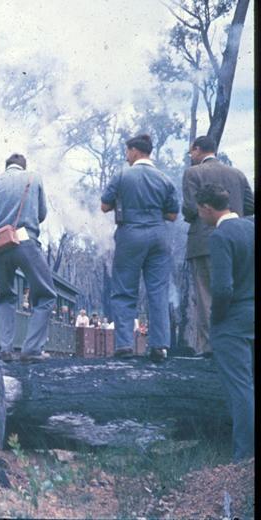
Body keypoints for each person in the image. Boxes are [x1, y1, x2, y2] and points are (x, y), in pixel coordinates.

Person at [101, 134, 179, 363]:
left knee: (124, 289)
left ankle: (124, 344)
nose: (126, 156)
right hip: (158, 236)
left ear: (135, 151)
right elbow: (173, 215)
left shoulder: (123, 175)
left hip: (130, 234)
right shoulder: (164, 179)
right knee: (157, 291)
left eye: (127, 152)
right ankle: (159, 345)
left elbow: (104, 205)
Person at [195, 183, 254, 461]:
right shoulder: (251, 228)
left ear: (207, 208)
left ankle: (244, 456)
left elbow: (222, 289)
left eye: (199, 211)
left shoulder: (220, 237)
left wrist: (217, 321)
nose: (200, 216)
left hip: (233, 322)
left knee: (241, 389)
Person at [182, 136, 254, 356]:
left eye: (191, 152)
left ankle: (209, 346)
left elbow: (191, 208)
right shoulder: (237, 174)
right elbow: (250, 206)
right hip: (241, 239)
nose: (191, 156)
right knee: (238, 290)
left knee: (206, 295)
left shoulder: (192, 173)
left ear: (197, 149)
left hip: (203, 242)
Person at [0, 153, 56, 362]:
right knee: (46, 295)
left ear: (7, 166)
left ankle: (5, 349)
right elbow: (42, 213)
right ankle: (32, 349)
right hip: (24, 238)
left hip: (0, 242)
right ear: (23, 166)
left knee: (5, 296)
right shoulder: (33, 177)